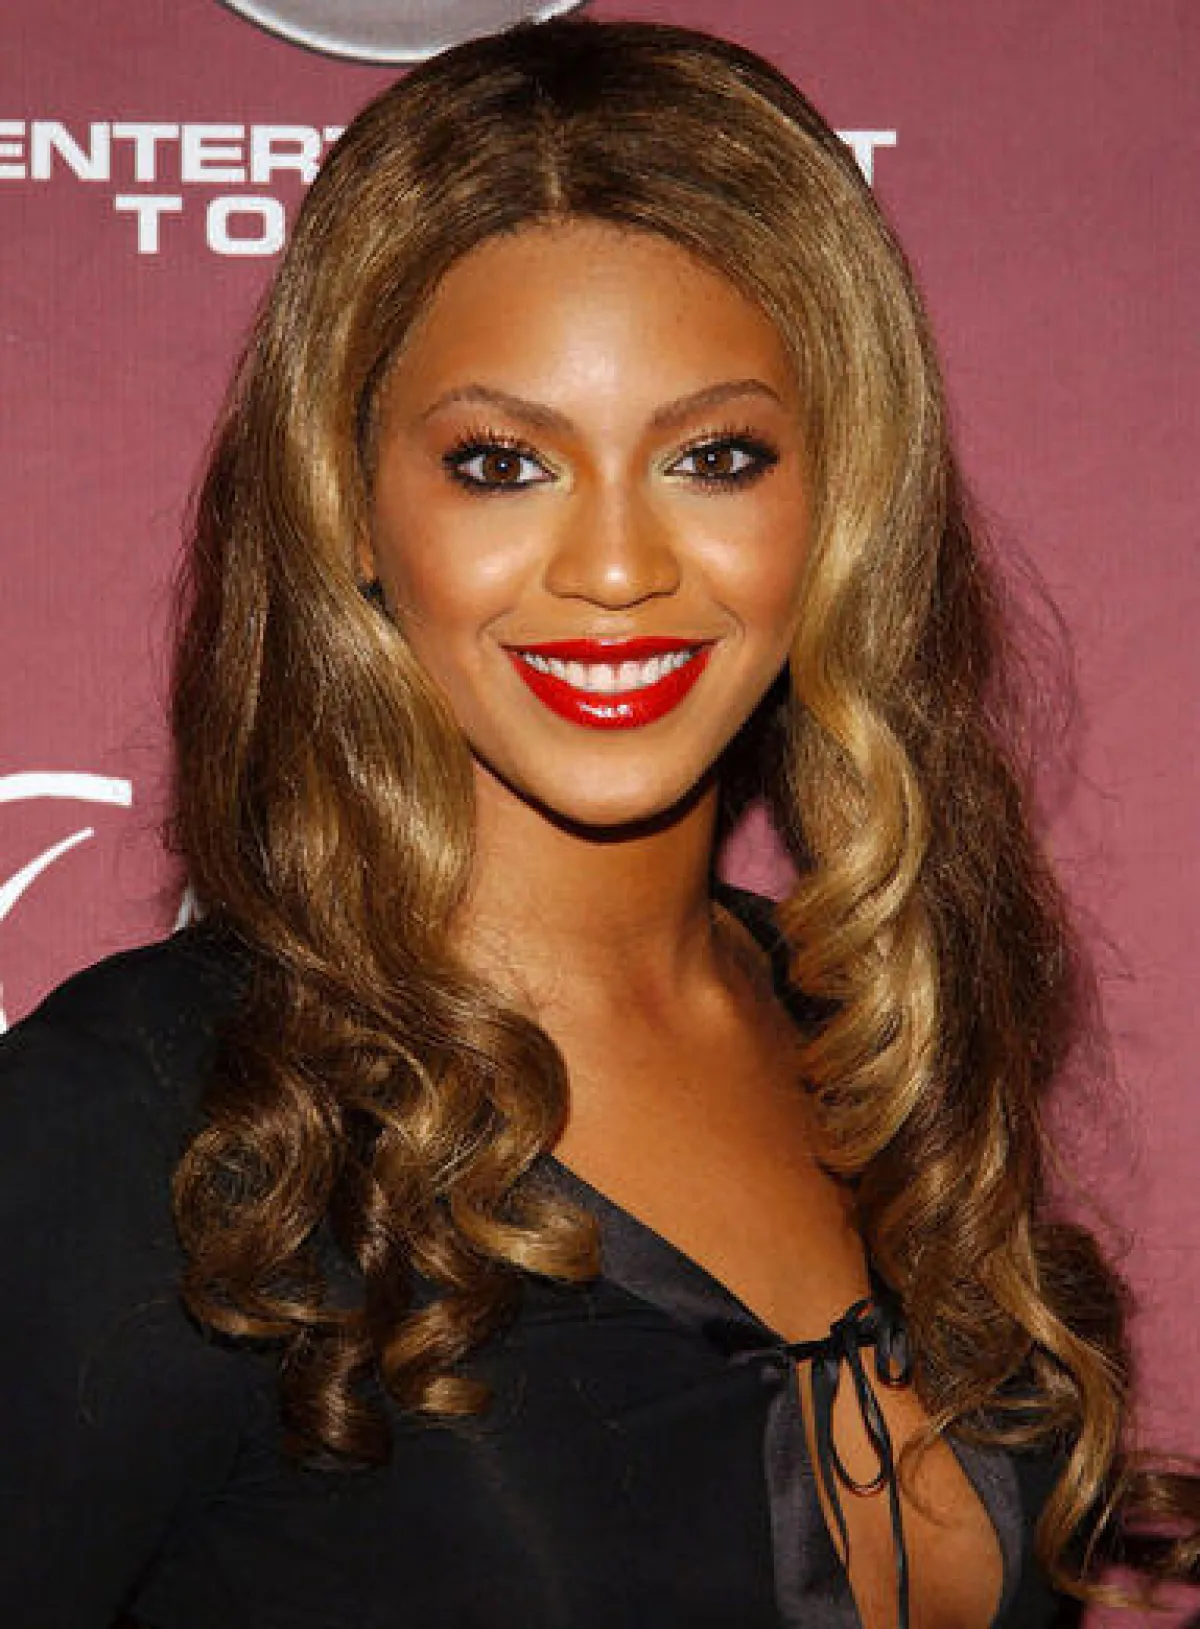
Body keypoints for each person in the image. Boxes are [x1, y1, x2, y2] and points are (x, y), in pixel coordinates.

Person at [0, 16, 1195, 1629]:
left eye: (716, 456)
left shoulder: (883, 1045)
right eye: (502, 463)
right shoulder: (149, 1120)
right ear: (351, 508)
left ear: (839, 499)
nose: (618, 567)